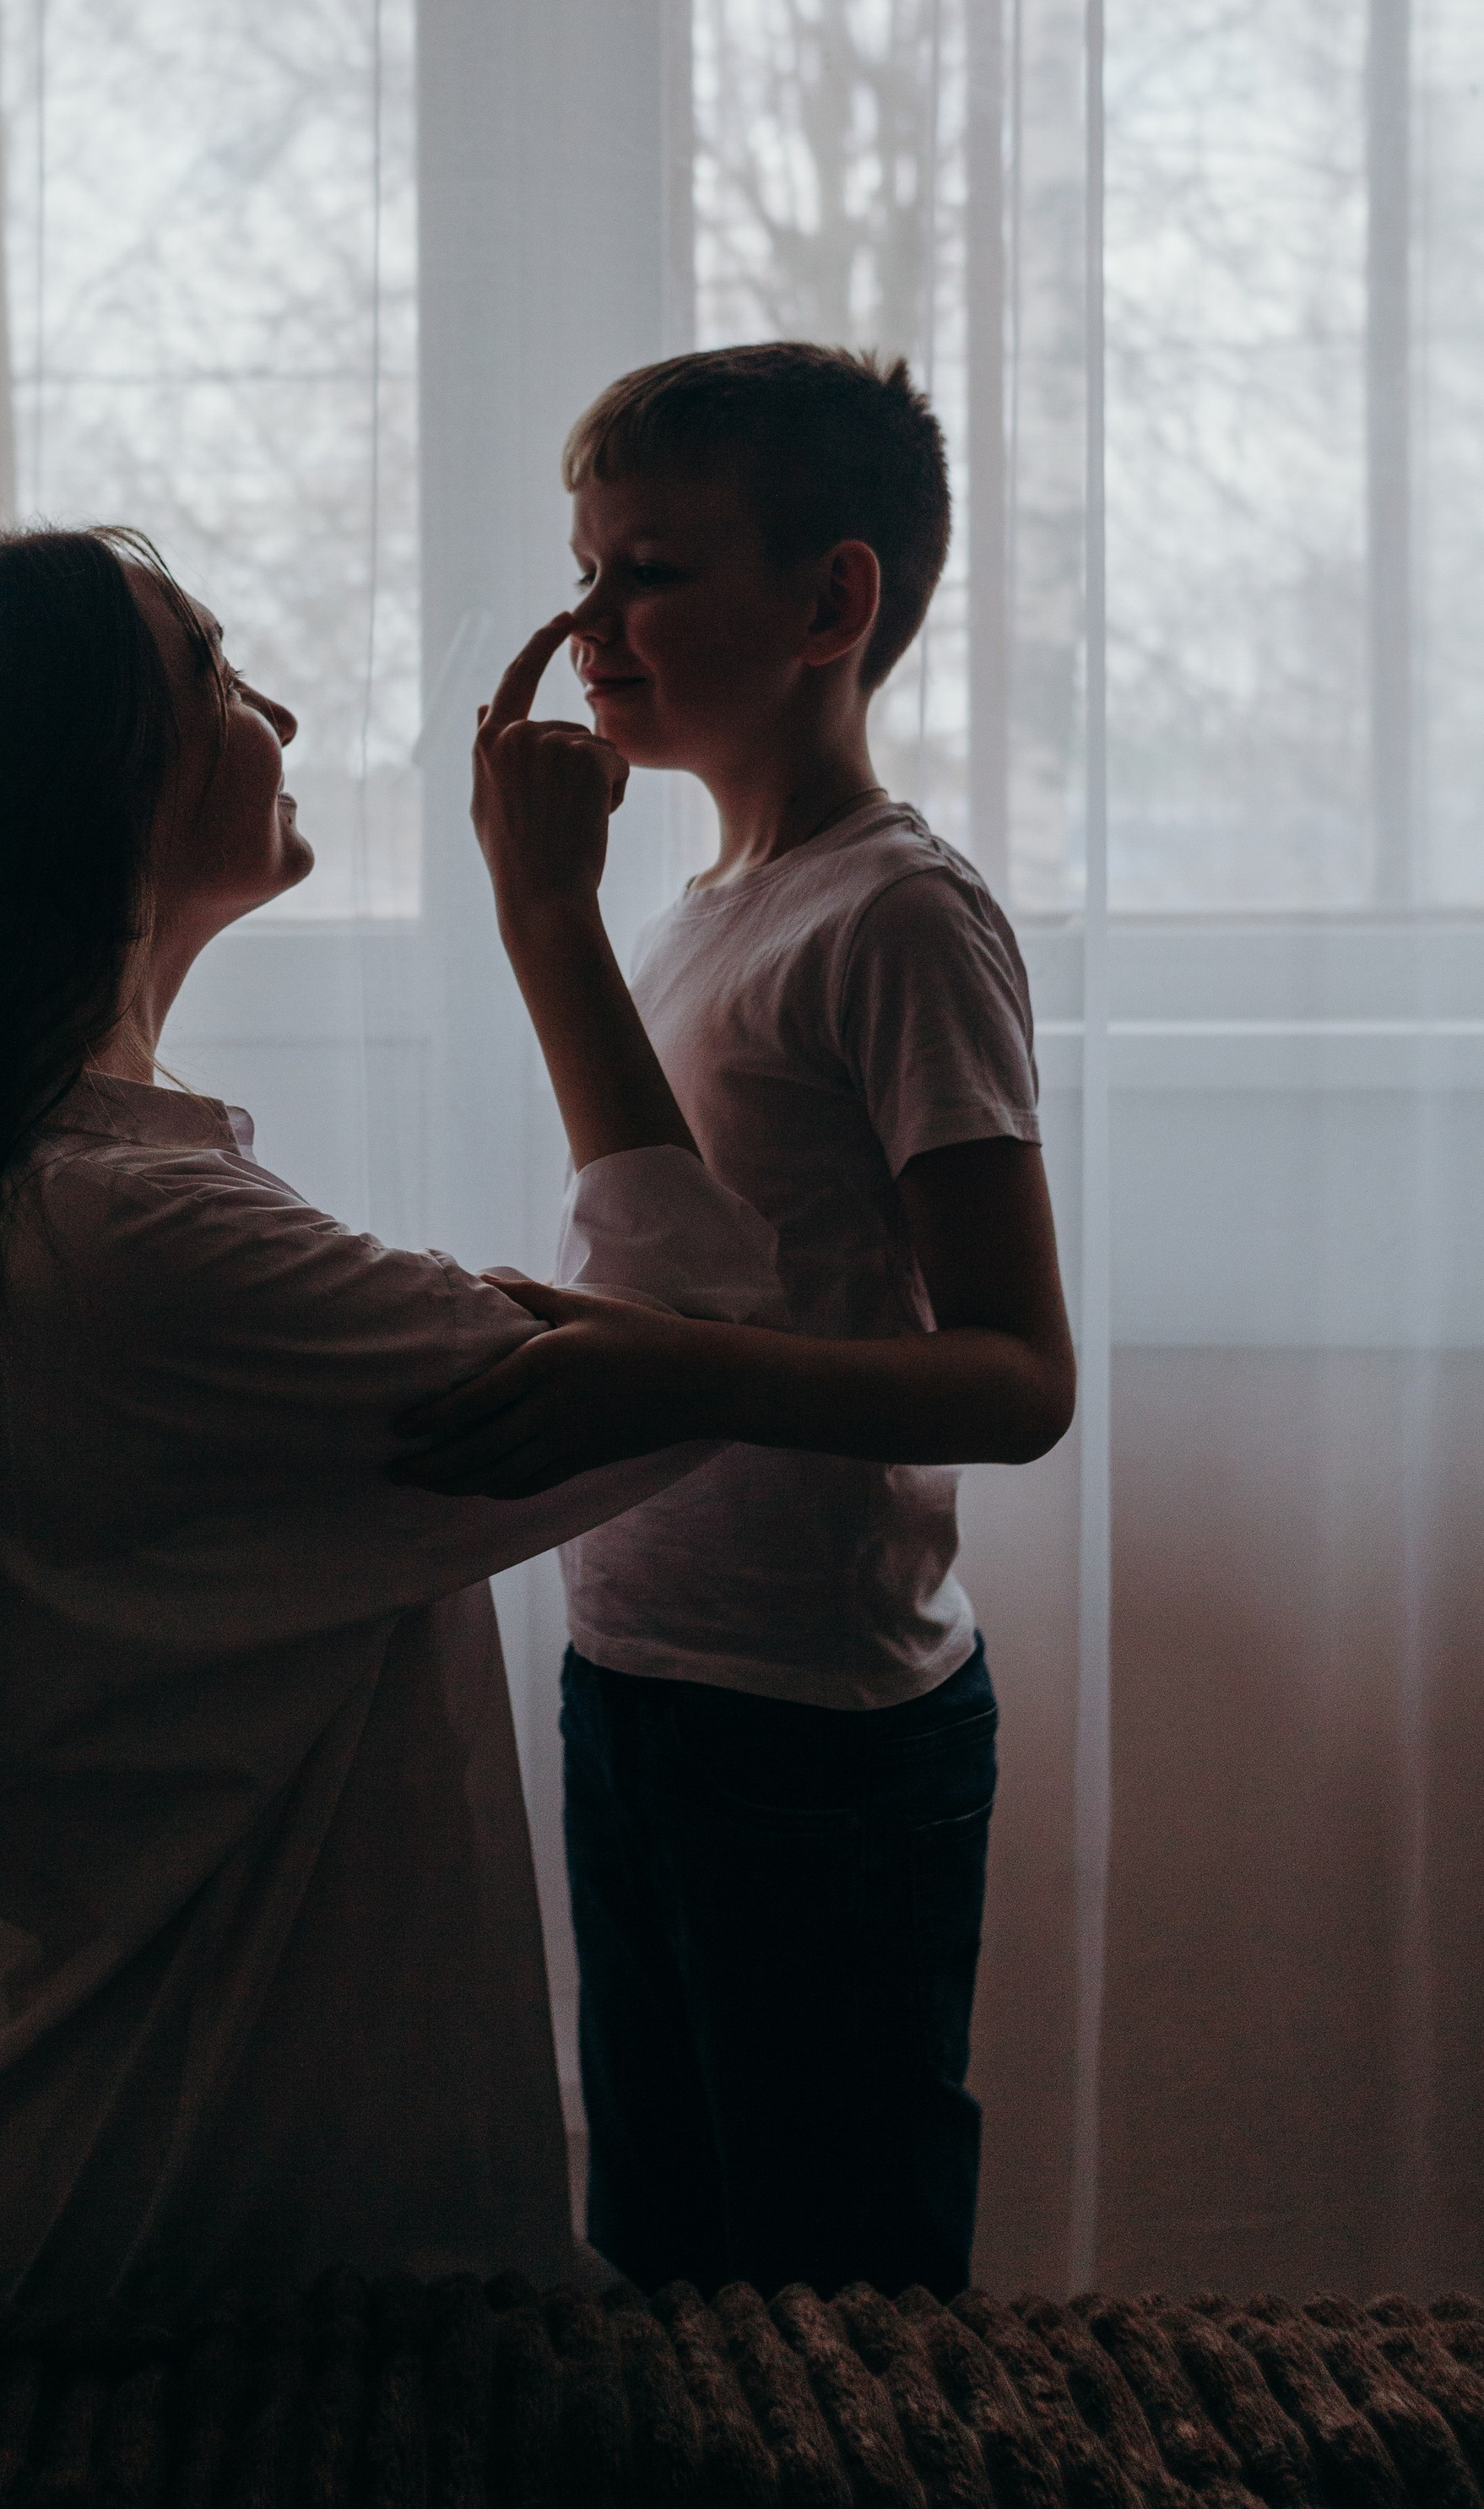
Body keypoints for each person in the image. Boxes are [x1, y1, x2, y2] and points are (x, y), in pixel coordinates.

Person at [0, 523, 779, 2316]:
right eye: (211, 671)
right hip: (177, 2263)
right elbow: (702, 1349)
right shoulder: (132, 1238)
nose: (274, 711)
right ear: (88, 784)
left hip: (83, 2190)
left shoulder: (15, 1193)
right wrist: (547, 917)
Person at [396, 344, 1077, 2306]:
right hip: (638, 1671)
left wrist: (677, 1369)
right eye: (582, 572)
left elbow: (1016, 1375)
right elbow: (690, 1256)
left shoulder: (897, 918)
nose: (584, 627)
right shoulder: (704, 910)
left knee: (834, 2289)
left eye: (647, 573)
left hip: (823, 1726)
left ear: (829, 603)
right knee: (666, 2257)